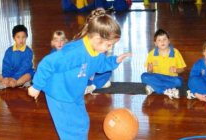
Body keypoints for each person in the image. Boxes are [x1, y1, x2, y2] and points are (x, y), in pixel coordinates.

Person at [28, 8, 130, 139]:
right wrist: (36, 86)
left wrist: (115, 61)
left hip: (74, 93)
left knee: (82, 123)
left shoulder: (96, 52)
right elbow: (48, 63)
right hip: (59, 94)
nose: (110, 48)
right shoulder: (74, 52)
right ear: (98, 39)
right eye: (109, 45)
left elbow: (102, 64)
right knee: (69, 129)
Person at [141, 29, 186, 99]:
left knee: (179, 81)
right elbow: (149, 72)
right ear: (155, 43)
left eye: (164, 39)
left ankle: (154, 87)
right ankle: (166, 90)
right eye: (159, 40)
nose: (162, 42)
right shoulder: (151, 54)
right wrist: (149, 70)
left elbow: (182, 69)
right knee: (144, 76)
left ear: (169, 41)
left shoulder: (175, 52)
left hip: (170, 78)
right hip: (157, 77)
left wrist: (176, 70)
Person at [0, 25, 34, 90]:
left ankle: (12, 84)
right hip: (12, 73)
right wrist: (6, 77)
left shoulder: (28, 51)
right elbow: (6, 65)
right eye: (18, 37)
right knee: (0, 76)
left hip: (24, 72)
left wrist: (15, 78)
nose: (21, 40)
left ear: (26, 37)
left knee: (28, 76)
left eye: (23, 37)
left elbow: (25, 67)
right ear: (14, 38)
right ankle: (16, 83)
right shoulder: (9, 51)